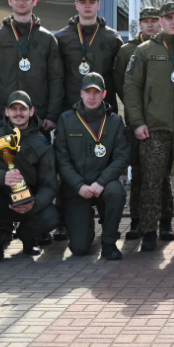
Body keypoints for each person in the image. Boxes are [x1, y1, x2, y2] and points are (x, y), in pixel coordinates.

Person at [122, 0, 174, 250]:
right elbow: (131, 88)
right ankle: (149, 232)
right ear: (161, 21)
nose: (173, 21)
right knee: (152, 181)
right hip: (154, 130)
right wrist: (137, 122)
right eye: (168, 18)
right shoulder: (145, 50)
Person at [51, 73, 130, 260]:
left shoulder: (115, 121)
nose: (92, 97)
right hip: (76, 189)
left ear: (104, 94)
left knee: (117, 192)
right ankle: (86, 227)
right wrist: (78, 185)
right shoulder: (67, 120)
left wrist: (102, 182)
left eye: (97, 92)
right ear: (81, 93)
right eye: (88, 92)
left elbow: (122, 157)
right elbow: (61, 159)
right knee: (79, 248)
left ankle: (109, 242)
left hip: (103, 185)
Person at [0, 91, 60, 261]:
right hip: (0, 199)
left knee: (52, 216)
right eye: (14, 109)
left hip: (28, 201)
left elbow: (49, 186)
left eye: (23, 109)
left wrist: (33, 204)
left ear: (32, 111)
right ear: (6, 111)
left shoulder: (42, 143)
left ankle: (28, 237)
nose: (18, 113)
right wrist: (2, 176)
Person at [117, 6, 174, 243]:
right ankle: (138, 220)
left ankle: (165, 221)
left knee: (161, 176)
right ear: (139, 24)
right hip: (137, 123)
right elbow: (123, 86)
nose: (150, 25)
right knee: (139, 174)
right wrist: (138, 116)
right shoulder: (127, 51)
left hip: (161, 123)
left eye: (154, 21)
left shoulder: (168, 48)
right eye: (145, 21)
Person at [0, 0, 65, 133]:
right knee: (6, 157)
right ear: (10, 1)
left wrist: (52, 115)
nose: (21, 2)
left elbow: (56, 79)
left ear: (34, 2)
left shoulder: (47, 39)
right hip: (3, 118)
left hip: (38, 119)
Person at [56, 0, 124, 110]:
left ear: (99, 5)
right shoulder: (62, 38)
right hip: (70, 110)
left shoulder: (112, 38)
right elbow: (55, 77)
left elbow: (120, 77)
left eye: (92, 2)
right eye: (83, 2)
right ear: (76, 5)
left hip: (105, 110)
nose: (87, 6)